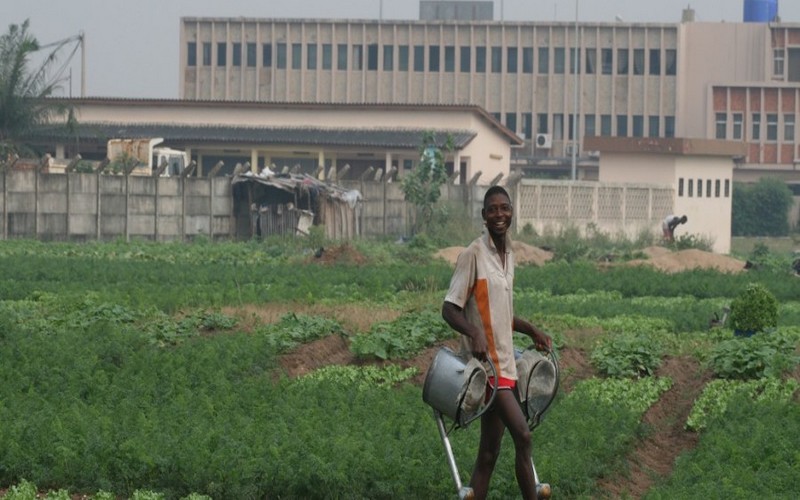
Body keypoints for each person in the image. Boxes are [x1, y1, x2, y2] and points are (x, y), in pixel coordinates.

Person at [441, 185, 552, 500]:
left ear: (512, 212)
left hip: (507, 365)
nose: (499, 214)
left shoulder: (509, 255)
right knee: (524, 436)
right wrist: (473, 332)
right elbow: (449, 308)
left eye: (504, 208)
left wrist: (532, 331)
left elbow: (504, 315)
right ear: (484, 216)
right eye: (493, 209)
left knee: (488, 454)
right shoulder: (473, 254)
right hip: (488, 368)